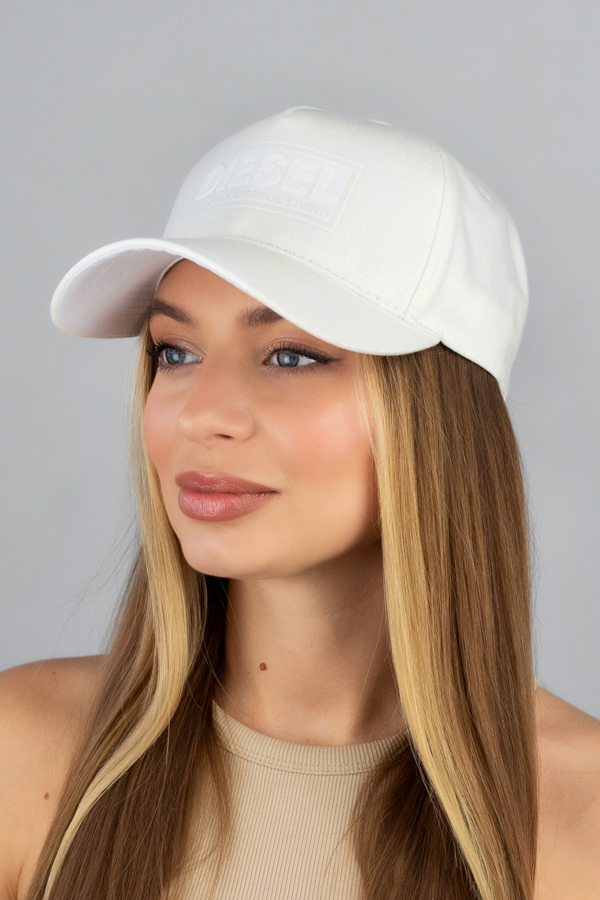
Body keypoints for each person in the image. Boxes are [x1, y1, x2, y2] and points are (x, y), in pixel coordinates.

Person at [0, 107, 598, 900]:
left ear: (440, 418)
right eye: (176, 352)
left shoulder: (582, 820)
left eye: (291, 356)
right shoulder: (22, 756)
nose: (200, 414)